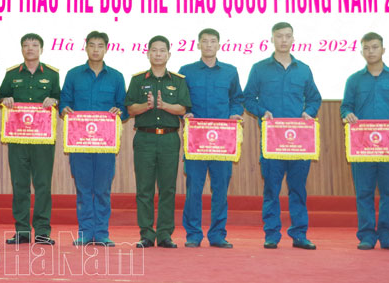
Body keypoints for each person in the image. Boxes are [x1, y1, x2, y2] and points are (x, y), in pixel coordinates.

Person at [243, 22, 321, 250]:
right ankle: (271, 234)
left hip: (299, 142)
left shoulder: (303, 69)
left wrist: (309, 112)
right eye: (279, 36)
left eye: (288, 36)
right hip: (272, 141)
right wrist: (262, 112)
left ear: (293, 39)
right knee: (271, 189)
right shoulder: (259, 69)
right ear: (272, 39)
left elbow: (314, 98)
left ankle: (299, 234)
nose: (284, 40)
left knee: (298, 189)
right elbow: (248, 98)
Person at [341, 32, 389, 251]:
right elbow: (346, 107)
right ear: (361, 51)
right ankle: (366, 236)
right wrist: (347, 115)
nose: (370, 51)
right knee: (363, 192)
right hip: (362, 147)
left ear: (383, 50)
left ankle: (388, 236)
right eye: (366, 48)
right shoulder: (354, 80)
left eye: (374, 47)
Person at [178, 28, 243, 249]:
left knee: (220, 190)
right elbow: (181, 101)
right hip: (196, 141)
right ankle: (193, 234)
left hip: (222, 142)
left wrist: (235, 113)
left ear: (219, 45)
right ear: (198, 45)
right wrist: (185, 113)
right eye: (204, 41)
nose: (208, 45)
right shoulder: (186, 72)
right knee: (194, 189)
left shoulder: (230, 72)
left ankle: (217, 235)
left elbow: (237, 99)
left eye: (212, 41)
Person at [60, 30, 126, 246]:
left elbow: (123, 106)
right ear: (85, 47)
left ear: (106, 49)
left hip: (105, 144)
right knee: (83, 189)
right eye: (92, 45)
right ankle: (86, 232)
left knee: (103, 189)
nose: (96, 50)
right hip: (80, 142)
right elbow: (64, 102)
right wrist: (65, 110)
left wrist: (119, 111)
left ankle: (102, 233)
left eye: (100, 46)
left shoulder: (116, 76)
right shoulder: (73, 75)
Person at [126, 35, 190, 249]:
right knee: (144, 189)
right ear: (148, 53)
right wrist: (146, 106)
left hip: (169, 139)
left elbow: (183, 108)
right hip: (144, 138)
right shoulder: (138, 80)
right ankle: (146, 234)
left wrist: (164, 106)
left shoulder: (178, 81)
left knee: (167, 188)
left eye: (162, 50)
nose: (158, 54)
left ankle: (164, 234)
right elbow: (130, 109)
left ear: (169, 54)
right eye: (154, 50)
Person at [0, 33, 60, 245]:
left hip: (43, 140)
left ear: (41, 49)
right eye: (26, 45)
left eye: (34, 45)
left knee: (43, 185)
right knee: (20, 184)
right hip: (18, 139)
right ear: (21, 49)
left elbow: (59, 97)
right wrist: (5, 100)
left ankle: (42, 231)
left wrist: (54, 100)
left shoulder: (52, 74)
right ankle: (22, 231)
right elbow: (1, 96)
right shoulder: (12, 74)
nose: (30, 48)